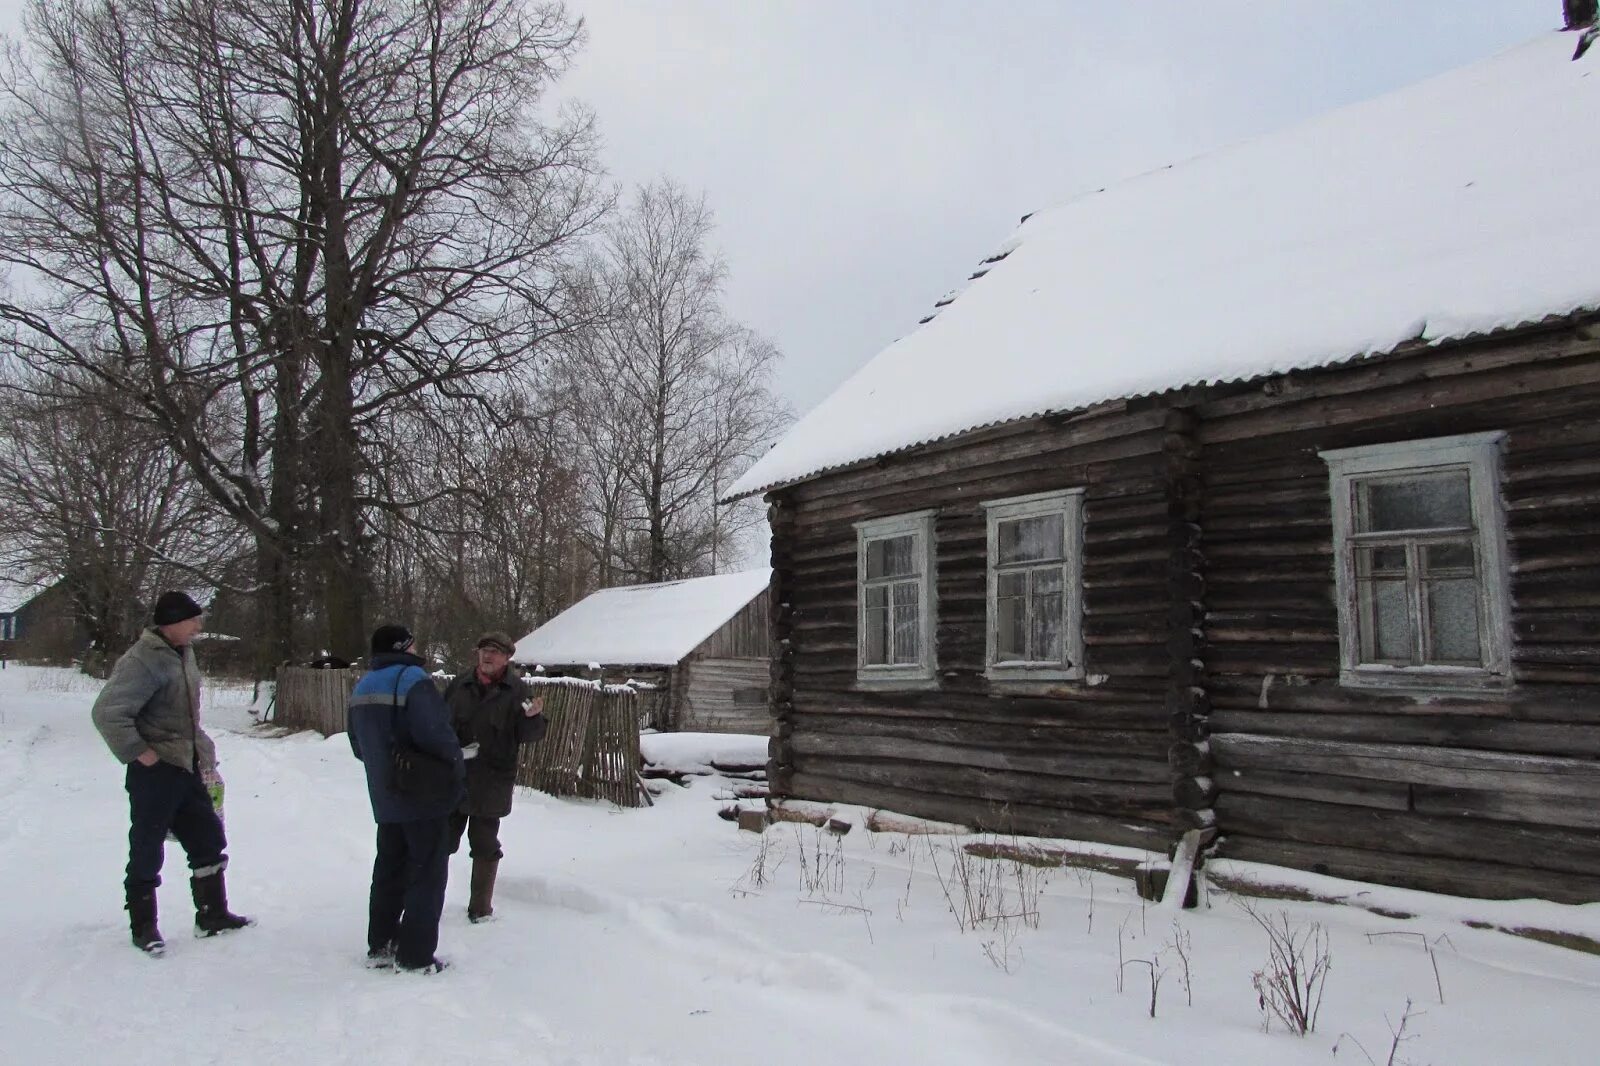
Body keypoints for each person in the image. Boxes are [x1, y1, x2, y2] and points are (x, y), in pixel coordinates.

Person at [90, 590, 252, 956]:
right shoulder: (142, 661)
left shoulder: (183, 653)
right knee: (147, 845)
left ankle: (213, 915)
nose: (198, 627)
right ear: (173, 622)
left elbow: (185, 712)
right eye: (193, 620)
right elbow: (107, 714)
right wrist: (141, 754)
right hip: (156, 770)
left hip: (186, 764)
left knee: (208, 838)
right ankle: (144, 925)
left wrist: (202, 748)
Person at [347, 623, 465, 974]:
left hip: (385, 796)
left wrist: (385, 765)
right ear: (404, 647)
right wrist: (455, 770)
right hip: (422, 794)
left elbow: (357, 744)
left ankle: (381, 943)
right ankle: (415, 955)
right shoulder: (413, 680)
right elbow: (437, 733)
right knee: (426, 873)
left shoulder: (364, 685)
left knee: (388, 870)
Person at [443, 631, 546, 922]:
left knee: (485, 844)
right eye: (484, 650)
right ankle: (429, 901)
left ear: (507, 658)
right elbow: (438, 723)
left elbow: (531, 735)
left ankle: (480, 909)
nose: (488, 656)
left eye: (495, 652)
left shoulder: (518, 692)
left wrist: (532, 719)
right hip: (455, 776)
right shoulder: (458, 685)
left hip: (491, 779)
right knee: (440, 842)